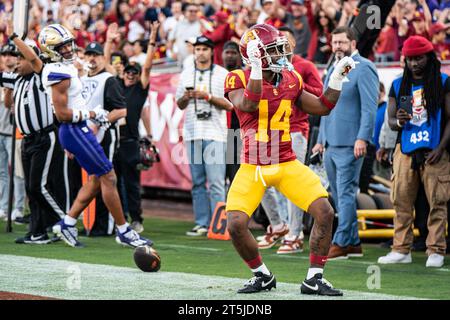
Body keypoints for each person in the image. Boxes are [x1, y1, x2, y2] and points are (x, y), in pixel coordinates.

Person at [225, 23, 356, 295]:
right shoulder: (236, 77)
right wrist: (258, 71)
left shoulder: (291, 78)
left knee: (324, 211)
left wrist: (336, 80)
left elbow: (322, 107)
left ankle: (314, 278)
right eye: (273, 51)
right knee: (236, 225)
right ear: (256, 56)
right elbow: (248, 104)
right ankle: (262, 275)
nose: (281, 56)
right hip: (253, 165)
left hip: (285, 162)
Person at [37, 23, 152, 248]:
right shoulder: (57, 72)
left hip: (77, 130)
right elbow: (62, 114)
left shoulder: (64, 67)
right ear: (51, 50)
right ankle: (123, 230)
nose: (69, 50)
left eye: (69, 44)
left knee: (97, 179)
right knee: (109, 176)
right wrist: (92, 113)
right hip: (75, 129)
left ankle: (68, 223)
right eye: (62, 47)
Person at [378, 35, 450, 268]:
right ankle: (401, 249)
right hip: (405, 148)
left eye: (419, 58)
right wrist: (398, 120)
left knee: (437, 202)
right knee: (400, 200)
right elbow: (390, 121)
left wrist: (441, 148)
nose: (414, 64)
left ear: (429, 57)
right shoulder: (400, 84)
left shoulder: (443, 81)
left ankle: (436, 250)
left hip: (435, 150)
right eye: (410, 59)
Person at [312, 26, 379, 260]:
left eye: (342, 42)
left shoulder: (365, 68)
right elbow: (325, 106)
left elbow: (370, 108)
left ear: (353, 43)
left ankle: (340, 241)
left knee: (346, 194)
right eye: (335, 42)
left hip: (351, 144)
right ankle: (352, 242)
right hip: (330, 143)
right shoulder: (332, 68)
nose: (338, 47)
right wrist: (321, 140)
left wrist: (362, 137)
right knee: (339, 195)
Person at [257, 26, 324, 254]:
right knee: (261, 178)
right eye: (275, 43)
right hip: (268, 131)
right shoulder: (265, 67)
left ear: (293, 44)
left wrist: (293, 84)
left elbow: (319, 93)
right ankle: (279, 225)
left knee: (292, 182)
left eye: (284, 42)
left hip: (295, 129)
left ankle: (295, 233)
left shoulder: (303, 66)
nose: (279, 47)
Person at [2, 28, 69, 244]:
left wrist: (13, 37)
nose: (17, 63)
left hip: (44, 137)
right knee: (32, 189)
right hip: (28, 139)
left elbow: (32, 56)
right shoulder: (17, 81)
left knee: (37, 186)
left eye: (21, 59)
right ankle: (37, 231)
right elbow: (5, 90)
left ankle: (64, 222)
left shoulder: (43, 76)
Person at [176, 36, 233, 236]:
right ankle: (201, 222)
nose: (200, 52)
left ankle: (219, 224)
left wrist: (208, 97)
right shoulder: (186, 74)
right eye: (197, 49)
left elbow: (230, 105)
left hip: (216, 134)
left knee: (216, 182)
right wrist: (186, 97)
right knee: (197, 182)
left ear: (211, 52)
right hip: (192, 133)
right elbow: (179, 104)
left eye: (204, 49)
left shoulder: (221, 74)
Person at [111, 22, 159, 234]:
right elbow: (106, 63)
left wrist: (152, 38)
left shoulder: (140, 90)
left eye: (134, 72)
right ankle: (119, 221)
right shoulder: (116, 85)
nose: (130, 74)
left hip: (130, 142)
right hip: (113, 141)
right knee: (113, 182)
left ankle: (136, 220)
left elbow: (147, 66)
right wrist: (108, 41)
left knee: (131, 185)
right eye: (128, 72)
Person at [80, 41, 127, 236]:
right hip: (86, 135)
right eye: (89, 54)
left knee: (105, 178)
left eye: (96, 55)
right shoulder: (82, 79)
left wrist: (99, 122)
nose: (92, 58)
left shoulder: (109, 79)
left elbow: (121, 110)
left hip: (105, 134)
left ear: (102, 57)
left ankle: (107, 224)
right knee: (91, 180)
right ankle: (91, 223)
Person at [0, 43, 25, 222]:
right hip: (0, 130)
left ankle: (19, 208)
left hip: (15, 131)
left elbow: (10, 105)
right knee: (2, 173)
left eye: (11, 54)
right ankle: (3, 207)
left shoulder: (21, 78)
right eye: (5, 54)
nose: (8, 57)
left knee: (17, 173)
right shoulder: (2, 77)